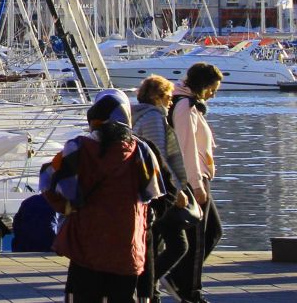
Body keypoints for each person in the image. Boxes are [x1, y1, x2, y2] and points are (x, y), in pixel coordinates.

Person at [42, 89, 162, 303]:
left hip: (87, 244)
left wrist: (69, 207)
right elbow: (153, 193)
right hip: (127, 246)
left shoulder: (77, 148)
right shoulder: (142, 151)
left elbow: (49, 181)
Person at [167, 63, 223, 303]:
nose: (214, 93)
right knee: (199, 238)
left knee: (213, 232)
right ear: (203, 85)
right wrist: (196, 184)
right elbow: (186, 147)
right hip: (193, 180)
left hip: (199, 176)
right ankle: (190, 290)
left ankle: (179, 279)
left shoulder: (190, 104)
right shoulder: (184, 106)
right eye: (212, 88)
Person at [133, 75, 192, 302]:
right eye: (168, 97)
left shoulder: (141, 115)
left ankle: (151, 289)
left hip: (151, 191)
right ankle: (148, 285)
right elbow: (160, 156)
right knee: (178, 245)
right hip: (161, 191)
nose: (171, 102)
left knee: (156, 245)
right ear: (155, 97)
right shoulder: (153, 118)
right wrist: (176, 190)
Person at [9, 186, 60, 253]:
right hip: (47, 245)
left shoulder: (28, 201)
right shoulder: (56, 204)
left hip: (25, 246)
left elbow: (16, 224)